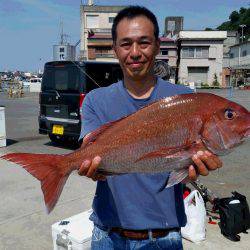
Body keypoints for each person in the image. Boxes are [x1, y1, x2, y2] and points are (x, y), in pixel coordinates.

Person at [78, 6, 222, 250]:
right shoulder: (95, 100)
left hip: (163, 236)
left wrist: (193, 169)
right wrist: (93, 168)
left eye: (143, 43)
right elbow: (88, 148)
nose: (135, 52)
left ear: (157, 45)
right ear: (115, 49)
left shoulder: (185, 99)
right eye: (126, 44)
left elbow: (184, 166)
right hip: (106, 235)